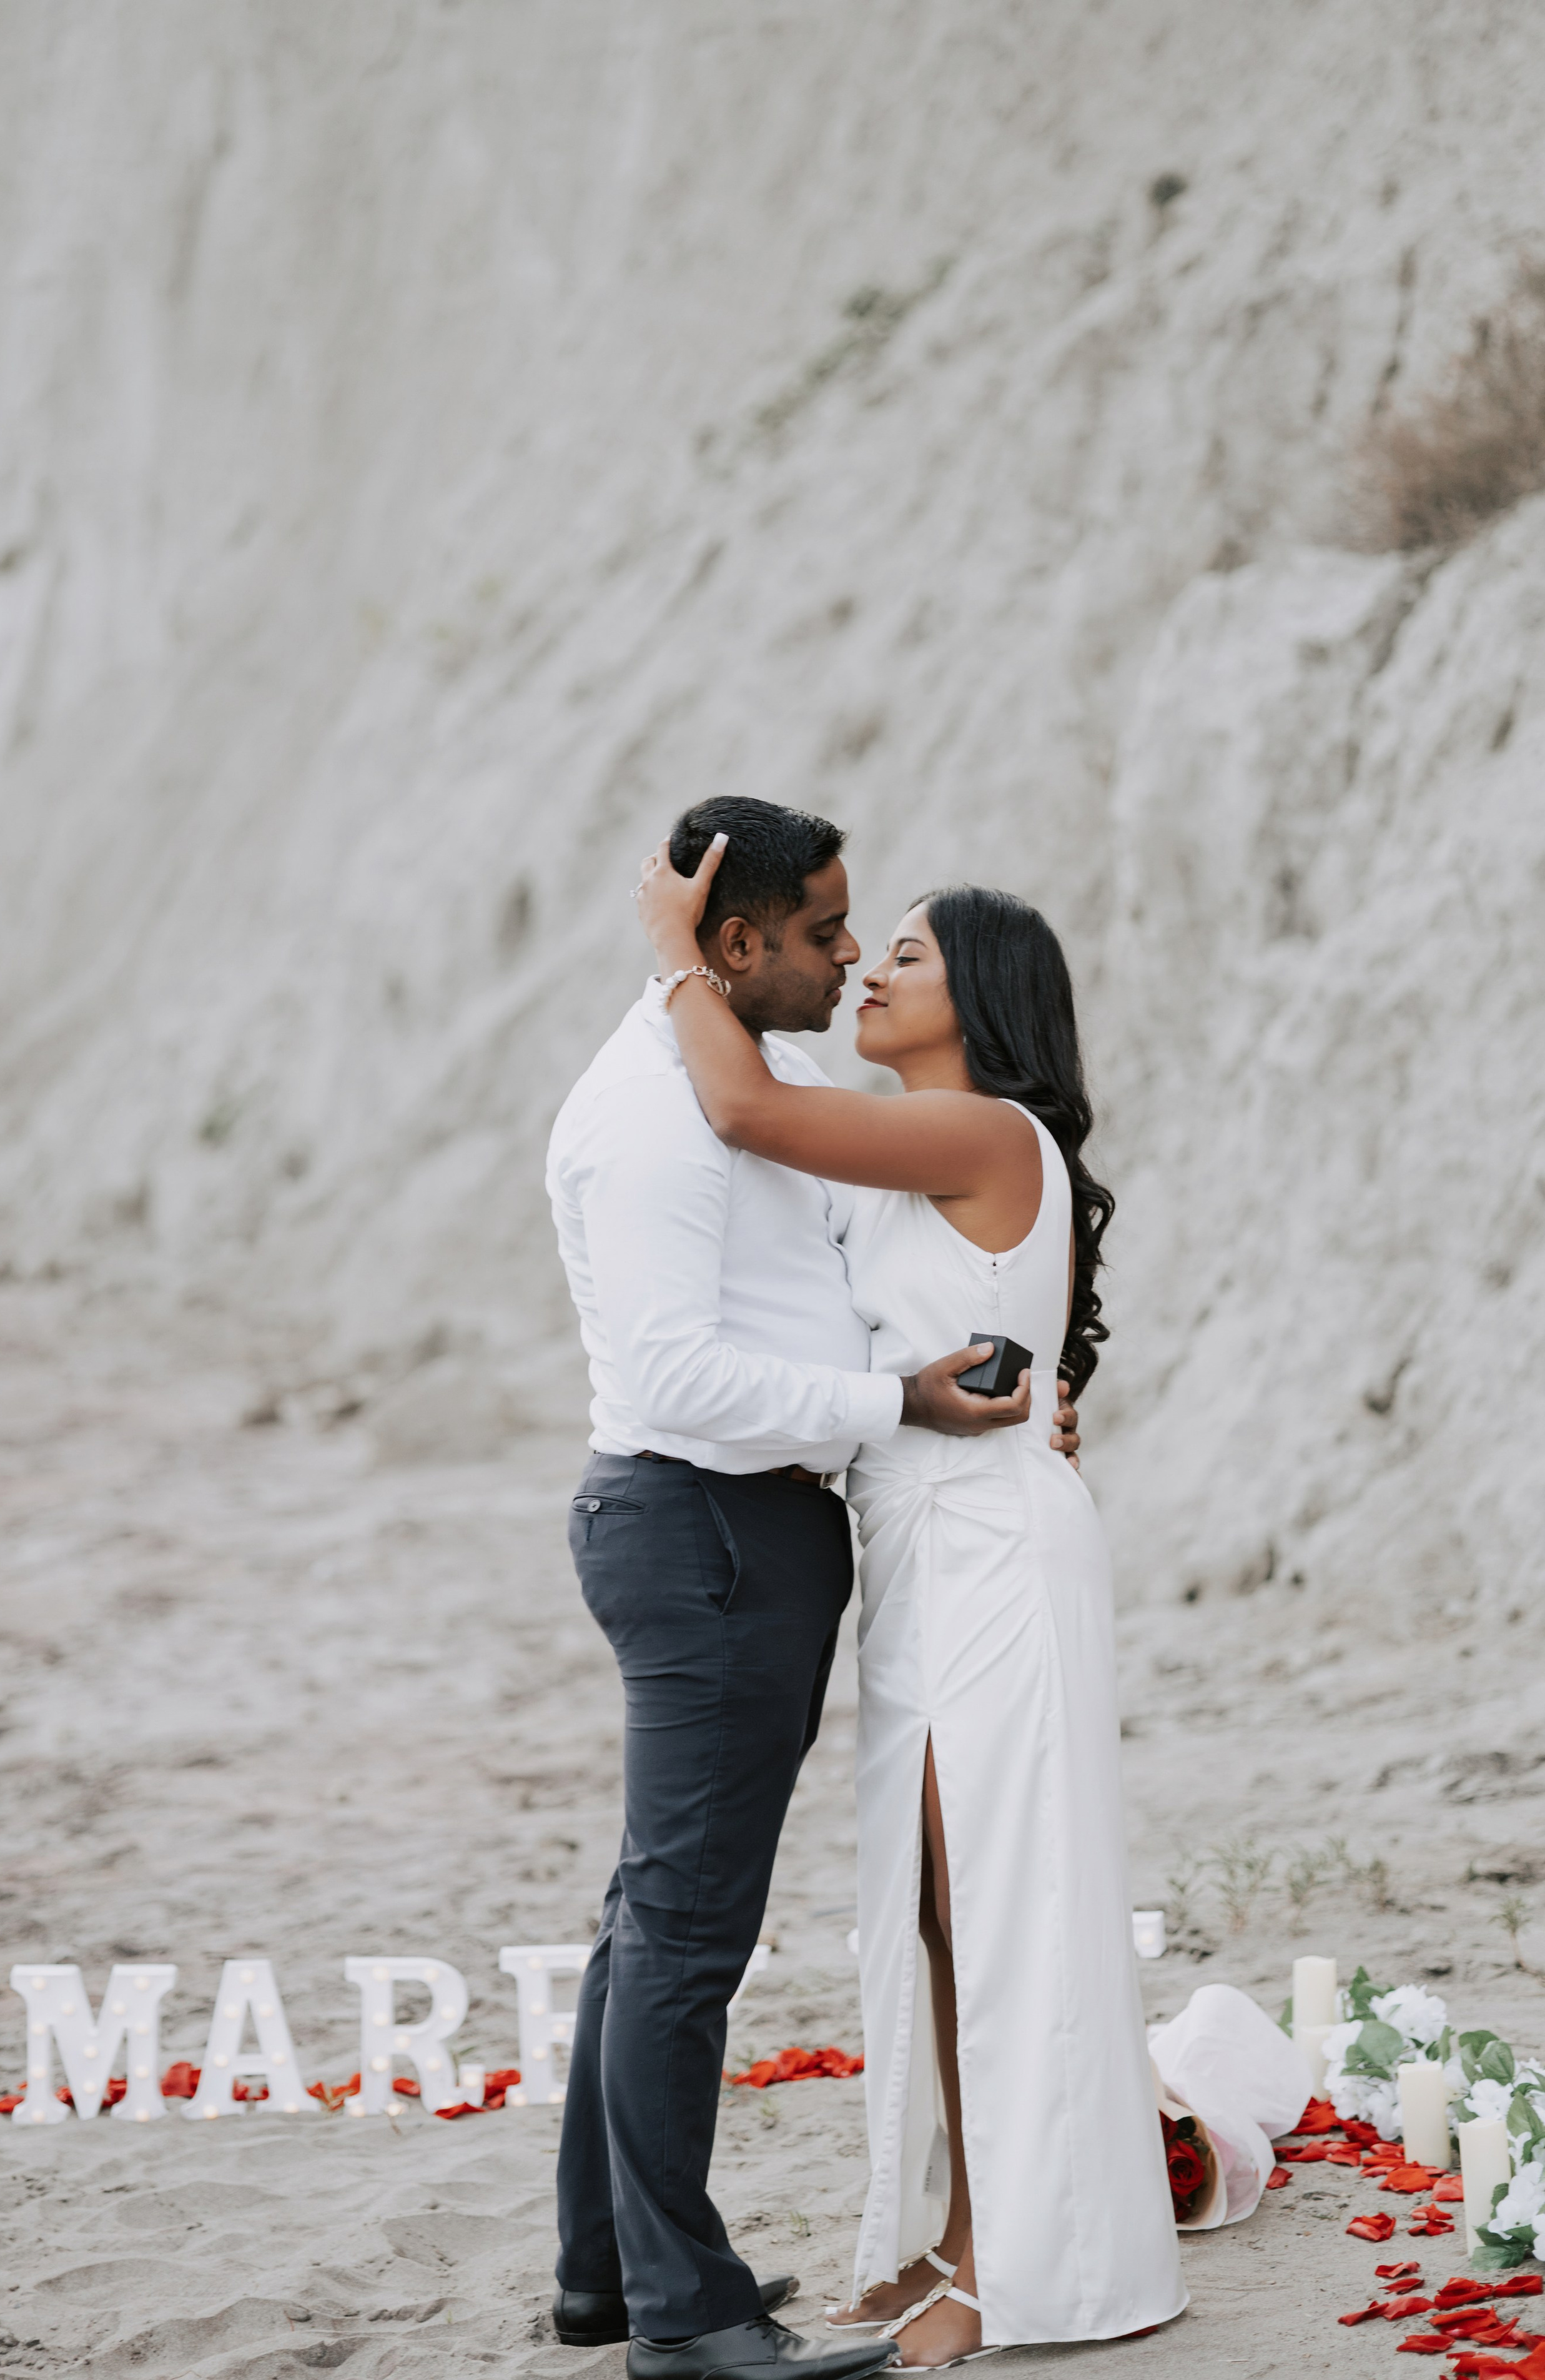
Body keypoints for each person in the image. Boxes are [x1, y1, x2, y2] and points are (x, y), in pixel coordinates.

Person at [545, 796, 1082, 2380]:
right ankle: (683, 2318)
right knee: (685, 1939)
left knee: (651, 1922)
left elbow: (849, 1284)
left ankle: (605, 2271)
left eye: (877, 937)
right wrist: (896, 1403)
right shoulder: (666, 1110)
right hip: (702, 1527)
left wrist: (1012, 1373)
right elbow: (677, 1372)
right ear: (732, 942)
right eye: (829, 932)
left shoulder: (749, 1081)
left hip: (759, 1535)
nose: (849, 955)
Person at [635, 838, 1186, 2366]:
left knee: (989, 1906)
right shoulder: (923, 1143)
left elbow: (740, 1104)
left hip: (987, 1557)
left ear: (983, 1000)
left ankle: (1005, 2272)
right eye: (872, 948)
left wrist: (675, 951)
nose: (871, 967)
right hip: (936, 1552)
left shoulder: (977, 1127)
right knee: (944, 1917)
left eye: (912, 957)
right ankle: (955, 2238)